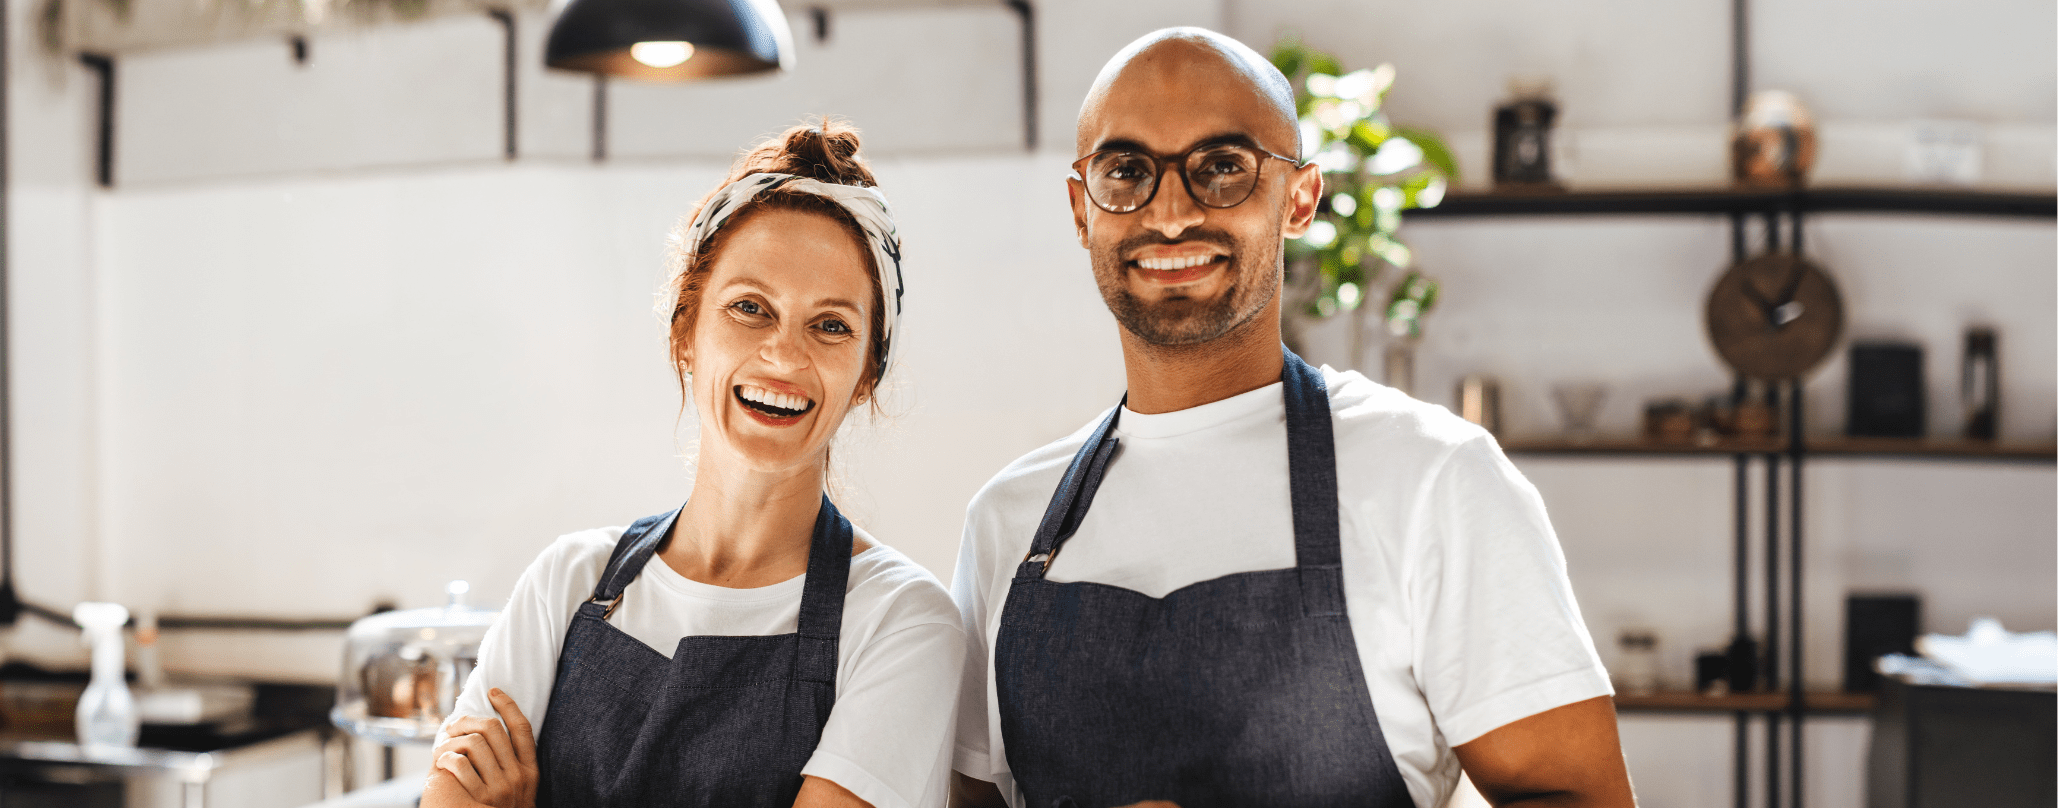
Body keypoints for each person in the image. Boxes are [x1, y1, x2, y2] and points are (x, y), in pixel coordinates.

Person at [947, 29, 1635, 808]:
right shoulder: (1009, 522)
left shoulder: (1434, 479)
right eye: (1127, 170)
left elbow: (1581, 799)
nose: (1170, 213)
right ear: (1083, 209)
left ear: (1299, 199)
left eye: (1222, 168)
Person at [424, 122, 964, 808]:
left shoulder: (901, 623)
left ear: (866, 374)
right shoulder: (567, 584)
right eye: (749, 308)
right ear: (686, 333)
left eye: (831, 325)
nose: (784, 356)